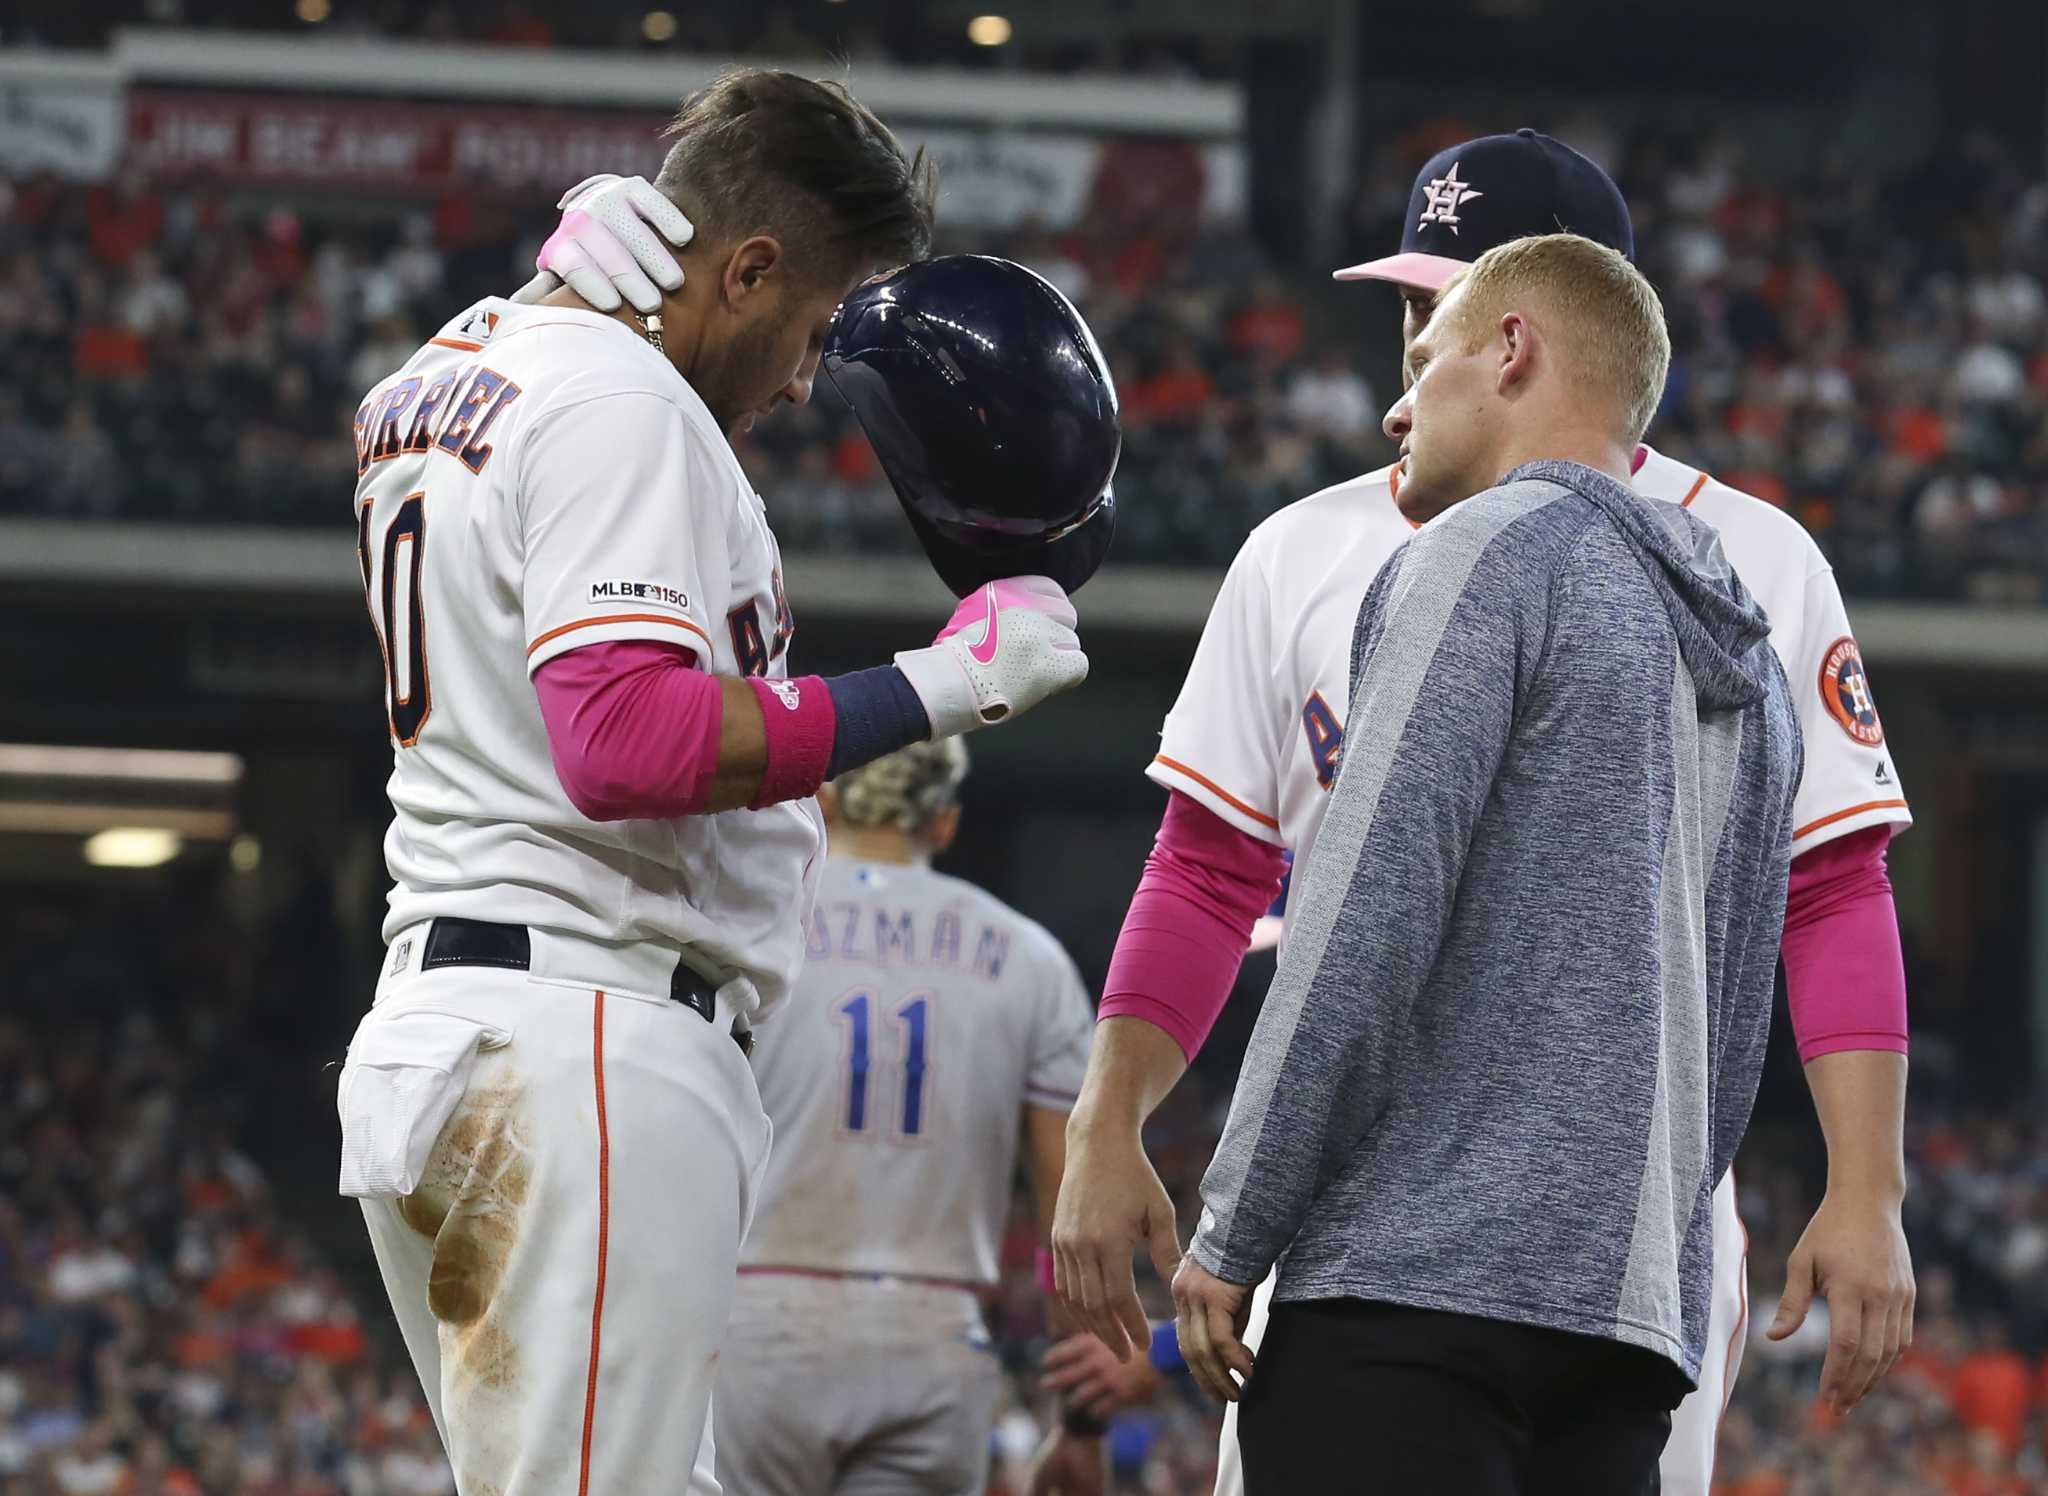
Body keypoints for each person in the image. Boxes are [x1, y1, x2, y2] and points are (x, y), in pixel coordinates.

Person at [518, 128, 1917, 1492]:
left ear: (1534, 325)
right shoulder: (1305, 549)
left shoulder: (1755, 560)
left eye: (1442, 309)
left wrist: (1867, 1186)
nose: (1403, 359)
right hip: (1373, 1204)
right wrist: (1115, 1118)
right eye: (1407, 306)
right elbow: (1207, 870)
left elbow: (1823, 888)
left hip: (1579, 1220)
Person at [334, 70, 1090, 1495]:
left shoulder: (457, 361)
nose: (808, 377)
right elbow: (623, 742)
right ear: (745, 267)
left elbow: (477, 440)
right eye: (808, 327)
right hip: (589, 1033)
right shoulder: (623, 403)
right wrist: (941, 686)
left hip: (460, 1020)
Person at [1173, 231, 1798, 1493]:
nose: (1400, 403)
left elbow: (1362, 911)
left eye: (1427, 356)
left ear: (1509, 351)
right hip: (1621, 1329)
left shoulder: (1486, 550)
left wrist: (1235, 1222)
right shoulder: (1745, 641)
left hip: (1412, 1295)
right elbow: (1736, 1031)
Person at [710, 739, 1104, 1496]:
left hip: (759, 1315)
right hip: (933, 1330)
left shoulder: (747, 930)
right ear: (946, 823)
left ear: (821, 800)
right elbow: (1071, 1216)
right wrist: (1081, 1424)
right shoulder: (1031, 958)